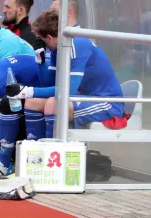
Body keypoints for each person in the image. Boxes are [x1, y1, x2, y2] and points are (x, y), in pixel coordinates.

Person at [7, 9, 124, 139]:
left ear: (50, 38)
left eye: (39, 39)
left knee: (53, 103)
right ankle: (35, 149)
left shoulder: (77, 44)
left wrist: (28, 90)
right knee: (32, 102)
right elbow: (48, 83)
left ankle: (52, 151)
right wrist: (40, 61)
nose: (37, 42)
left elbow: (66, 91)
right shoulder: (56, 47)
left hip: (107, 103)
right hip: (84, 98)